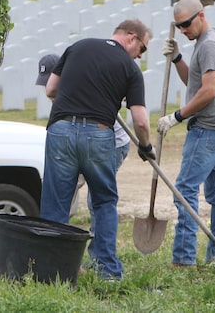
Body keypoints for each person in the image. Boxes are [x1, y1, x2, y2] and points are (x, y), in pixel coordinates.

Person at [40, 19, 154, 281]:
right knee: (103, 202)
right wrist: (145, 146)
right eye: (142, 48)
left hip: (61, 131)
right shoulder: (130, 68)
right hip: (98, 134)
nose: (140, 55)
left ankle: (51, 270)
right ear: (131, 37)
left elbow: (51, 89)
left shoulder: (77, 47)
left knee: (55, 203)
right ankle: (107, 270)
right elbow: (140, 120)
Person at [157, 0, 215, 267]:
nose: (183, 30)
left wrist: (177, 116)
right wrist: (178, 58)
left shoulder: (210, 45)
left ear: (201, 15)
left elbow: (209, 92)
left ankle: (183, 260)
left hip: (207, 131)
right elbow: (195, 81)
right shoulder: (202, 43)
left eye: (186, 24)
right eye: (178, 26)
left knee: (184, 191)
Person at [35, 53, 131, 271]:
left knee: (98, 201)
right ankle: (61, 261)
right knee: (64, 199)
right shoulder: (61, 97)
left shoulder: (78, 91)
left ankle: (100, 260)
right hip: (82, 143)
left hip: (113, 144)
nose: (48, 90)